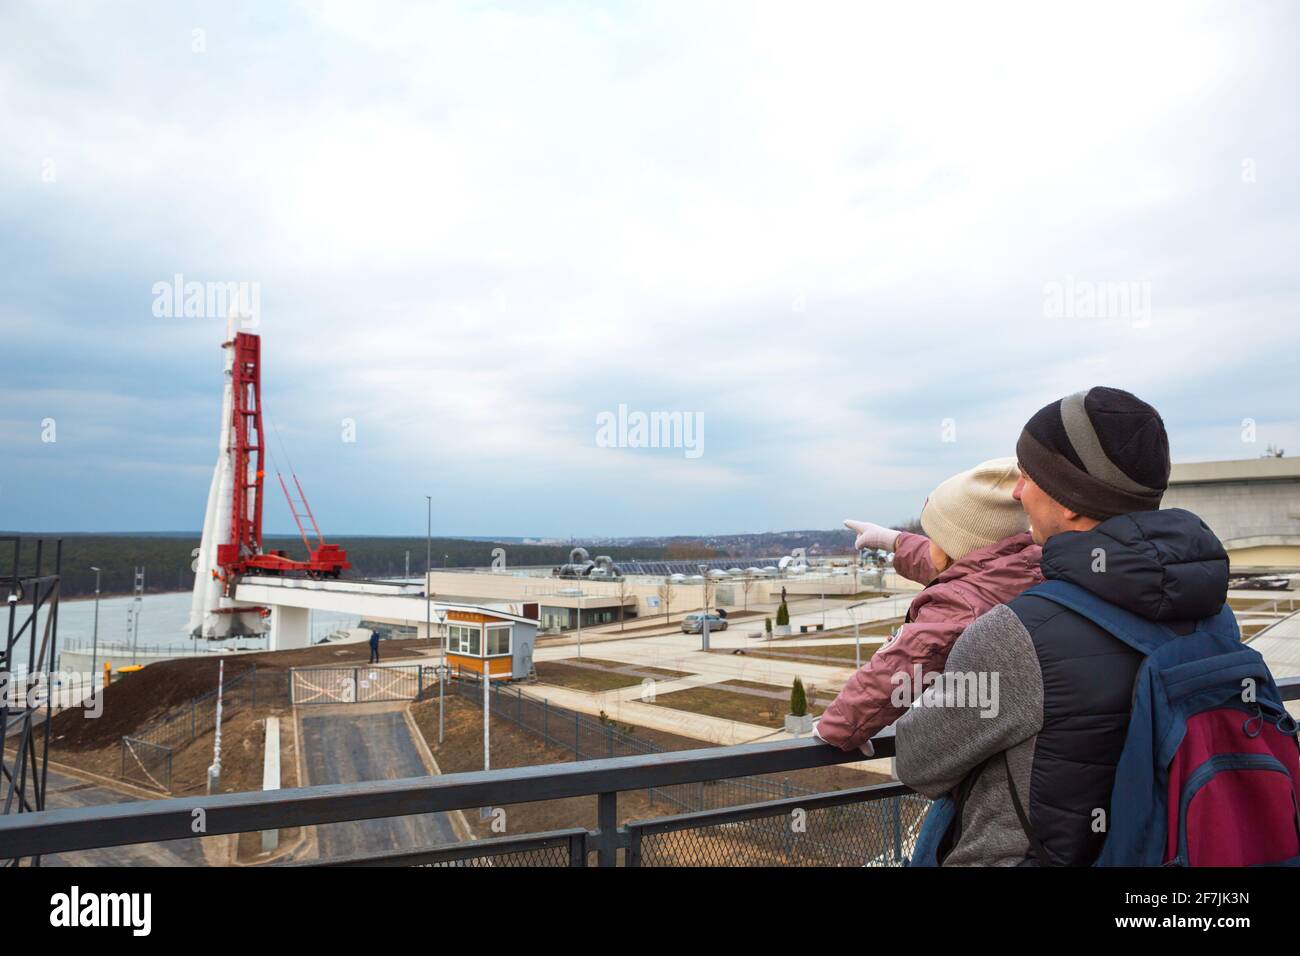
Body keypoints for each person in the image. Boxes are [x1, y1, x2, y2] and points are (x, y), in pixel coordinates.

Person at [894, 386, 1221, 866]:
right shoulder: (1212, 613)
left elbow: (917, 763)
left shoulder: (1015, 635)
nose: (1017, 492)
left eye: (1027, 477)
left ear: (1070, 501)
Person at [814, 458, 1042, 754]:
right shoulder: (1021, 566)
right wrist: (894, 541)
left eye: (933, 535)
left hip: (986, 749)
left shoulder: (958, 605)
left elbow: (897, 669)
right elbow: (958, 565)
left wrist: (837, 727)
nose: (928, 541)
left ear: (953, 546)